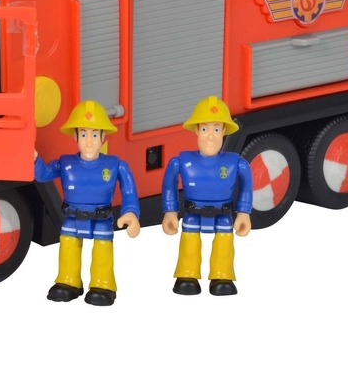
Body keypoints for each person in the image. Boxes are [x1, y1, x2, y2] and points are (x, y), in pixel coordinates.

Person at [35, 100, 140, 306]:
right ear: (75, 137)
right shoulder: (66, 163)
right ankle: (68, 281)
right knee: (68, 247)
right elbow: (43, 174)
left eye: (94, 135)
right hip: (72, 218)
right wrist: (34, 159)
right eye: (83, 135)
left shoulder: (115, 165)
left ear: (103, 137)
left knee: (102, 250)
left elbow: (129, 191)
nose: (89, 142)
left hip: (101, 218)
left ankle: (103, 284)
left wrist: (131, 213)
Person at [161, 96, 253, 296]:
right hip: (193, 213)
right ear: (196, 130)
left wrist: (243, 212)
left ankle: (222, 275)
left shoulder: (235, 162)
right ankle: (187, 275)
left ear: (224, 131)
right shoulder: (182, 161)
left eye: (216, 129)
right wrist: (170, 211)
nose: (210, 136)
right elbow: (169, 185)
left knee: (224, 244)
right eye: (205, 129)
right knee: (190, 242)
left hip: (223, 214)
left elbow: (246, 185)